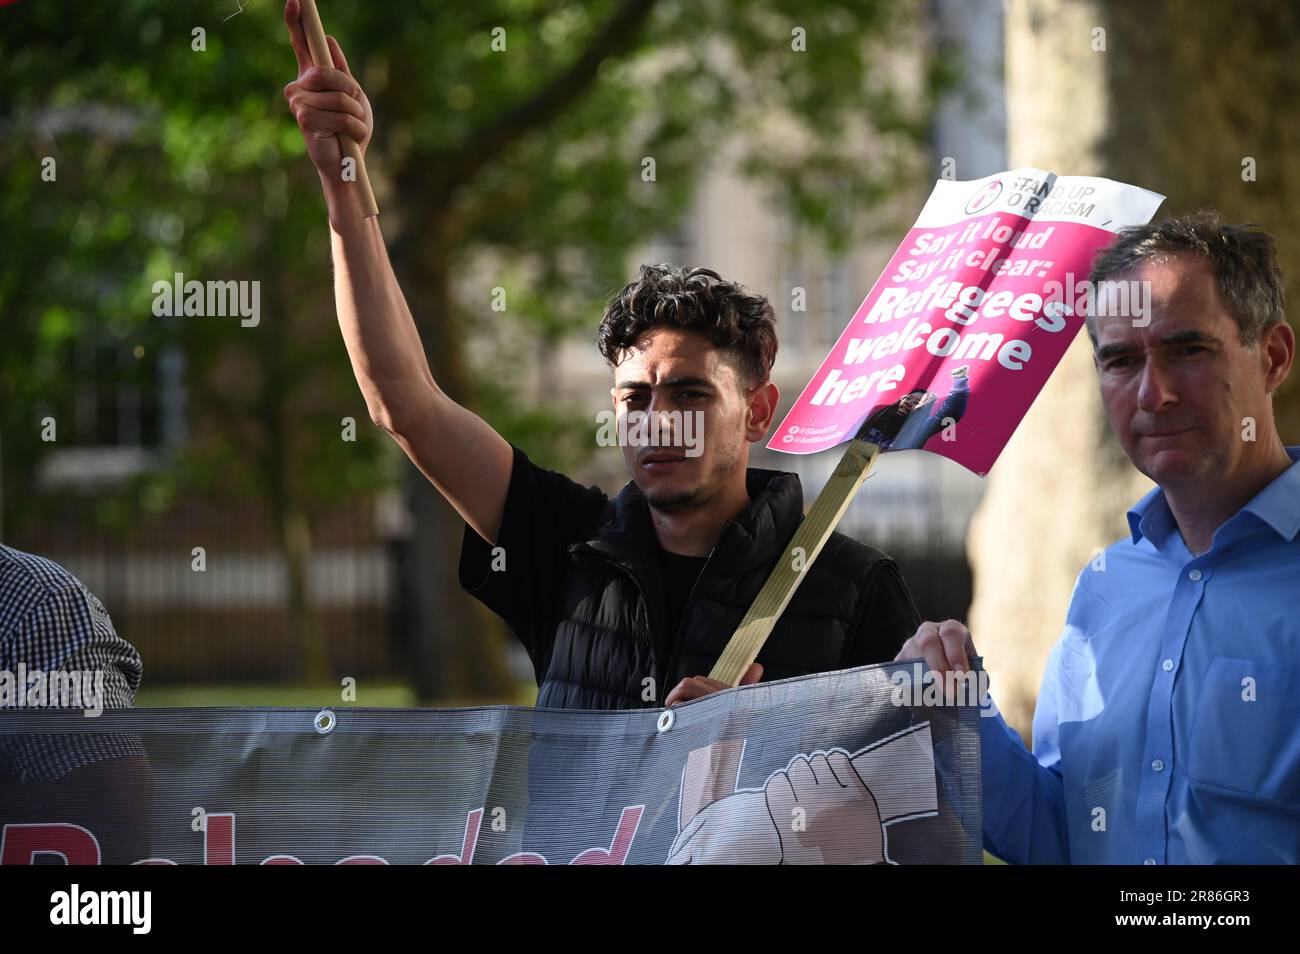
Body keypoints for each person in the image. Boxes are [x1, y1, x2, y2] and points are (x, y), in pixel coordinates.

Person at [281, 2, 922, 710]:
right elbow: (402, 401)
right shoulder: (565, 546)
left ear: (758, 412)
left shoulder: (852, 587)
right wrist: (343, 186)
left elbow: (914, 801)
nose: (658, 421)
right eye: (635, 399)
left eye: (691, 395)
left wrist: (758, 749)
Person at [896, 212, 1300, 863]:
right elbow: (1063, 833)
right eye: (1120, 360)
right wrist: (957, 721)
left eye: (1187, 350)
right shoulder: (1105, 586)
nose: (1153, 392)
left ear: (1274, 356)